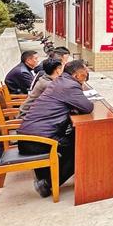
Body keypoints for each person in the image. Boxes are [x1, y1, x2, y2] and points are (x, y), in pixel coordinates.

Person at [17, 60, 94, 197]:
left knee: (73, 138)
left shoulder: (60, 81)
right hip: (36, 141)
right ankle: (47, 183)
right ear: (76, 75)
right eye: (85, 73)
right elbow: (87, 107)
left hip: (29, 135)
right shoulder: (70, 86)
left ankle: (45, 175)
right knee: (81, 147)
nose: (86, 75)